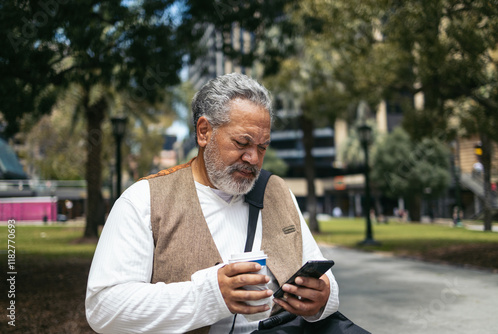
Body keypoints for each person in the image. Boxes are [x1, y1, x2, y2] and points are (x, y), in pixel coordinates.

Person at [85, 73, 339, 333]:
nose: (253, 158)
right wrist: (209, 295)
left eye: (263, 147)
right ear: (204, 132)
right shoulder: (143, 200)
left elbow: (323, 277)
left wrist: (323, 298)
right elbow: (104, 307)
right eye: (242, 142)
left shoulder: (277, 191)